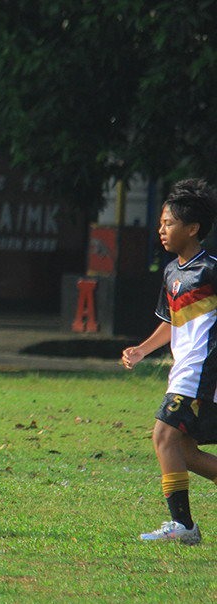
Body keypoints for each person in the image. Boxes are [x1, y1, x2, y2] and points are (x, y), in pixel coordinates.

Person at [122, 178, 217, 545]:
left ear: (192, 228)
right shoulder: (171, 272)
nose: (161, 230)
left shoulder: (210, 270)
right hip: (184, 371)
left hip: (202, 371)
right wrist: (143, 349)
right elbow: (172, 322)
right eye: (161, 223)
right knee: (184, 451)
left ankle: (183, 526)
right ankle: (183, 526)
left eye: (169, 223)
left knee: (163, 435)